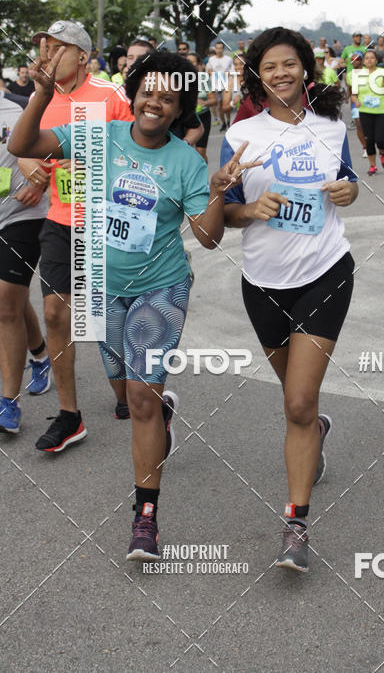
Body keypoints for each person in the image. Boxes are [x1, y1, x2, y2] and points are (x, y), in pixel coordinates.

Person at [10, 49, 255, 559]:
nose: (156, 103)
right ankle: (159, 410)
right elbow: (22, 143)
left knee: (138, 400)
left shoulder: (186, 161)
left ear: (179, 107)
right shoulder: (100, 135)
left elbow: (208, 240)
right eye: (149, 91)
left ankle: (146, 515)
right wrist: (41, 94)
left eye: (169, 97)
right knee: (123, 389)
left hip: (160, 287)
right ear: (135, 92)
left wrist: (215, 191)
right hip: (102, 283)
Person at [221, 27, 358, 573]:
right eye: (269, 66)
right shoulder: (240, 136)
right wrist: (245, 209)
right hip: (262, 281)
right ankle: (316, 430)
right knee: (298, 400)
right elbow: (223, 214)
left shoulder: (332, 127)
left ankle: (296, 524)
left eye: (289, 64)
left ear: (305, 69)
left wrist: (349, 189)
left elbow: (344, 184)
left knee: (297, 402)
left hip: (326, 271)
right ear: (258, 75)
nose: (280, 73)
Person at [8, 20, 133, 452]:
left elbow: (137, 150)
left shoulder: (110, 96)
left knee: (105, 320)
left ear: (82, 55)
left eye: (56, 47)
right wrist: (33, 171)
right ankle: (70, 415)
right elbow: (20, 152)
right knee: (57, 314)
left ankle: (124, 386)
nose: (46, 53)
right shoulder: (38, 99)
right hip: (61, 219)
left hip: (107, 221)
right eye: (42, 46)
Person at [0, 91, 52, 436]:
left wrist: (41, 180)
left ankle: (8, 403)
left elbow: (55, 145)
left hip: (23, 213)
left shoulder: (20, 104)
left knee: (5, 302)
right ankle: (40, 354)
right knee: (10, 301)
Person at [355, 48, 384, 175]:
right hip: (365, 110)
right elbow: (354, 94)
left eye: (372, 58)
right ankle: (372, 166)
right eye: (367, 58)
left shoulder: (383, 72)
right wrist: (356, 101)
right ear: (364, 61)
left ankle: (382, 153)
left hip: (381, 110)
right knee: (369, 140)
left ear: (376, 60)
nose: (369, 60)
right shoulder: (359, 74)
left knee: (380, 140)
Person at [187, 51, 217, 163]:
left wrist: (203, 103)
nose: (189, 64)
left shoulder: (204, 79)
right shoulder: (179, 79)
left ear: (198, 64)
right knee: (186, 150)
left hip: (203, 116)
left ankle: (203, 177)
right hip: (186, 117)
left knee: (200, 152)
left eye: (192, 62)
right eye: (187, 61)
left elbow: (214, 100)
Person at [206, 40, 234, 131]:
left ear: (223, 49)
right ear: (215, 49)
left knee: (226, 105)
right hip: (215, 85)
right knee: (219, 106)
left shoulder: (228, 59)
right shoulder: (211, 59)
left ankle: (229, 121)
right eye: (217, 48)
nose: (219, 50)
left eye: (220, 48)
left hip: (225, 85)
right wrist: (211, 74)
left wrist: (228, 75)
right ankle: (223, 123)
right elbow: (209, 71)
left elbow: (232, 71)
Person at [346, 52, 368, 158]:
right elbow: (350, 90)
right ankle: (365, 147)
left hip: (368, 101)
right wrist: (349, 102)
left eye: (357, 59)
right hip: (356, 103)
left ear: (361, 60)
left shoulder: (367, 72)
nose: (355, 61)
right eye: (353, 59)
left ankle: (371, 143)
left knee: (367, 126)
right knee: (359, 125)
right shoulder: (349, 75)